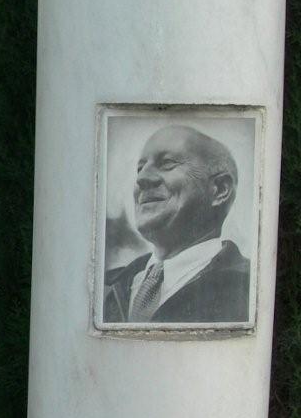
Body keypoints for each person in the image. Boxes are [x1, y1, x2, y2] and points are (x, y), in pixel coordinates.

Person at [103, 125, 250, 324]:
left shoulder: (250, 288)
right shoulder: (103, 286)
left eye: (167, 163)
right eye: (140, 168)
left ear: (219, 189)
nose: (142, 179)